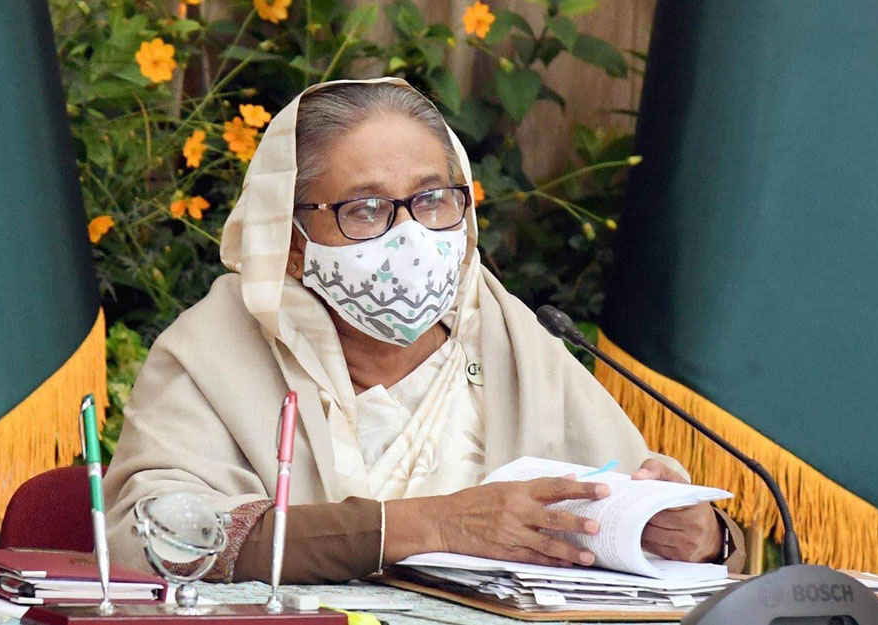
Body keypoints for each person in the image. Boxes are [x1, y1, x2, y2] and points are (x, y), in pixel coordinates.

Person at [102, 77, 744, 583]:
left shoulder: (514, 340)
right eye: (365, 209)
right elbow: (151, 537)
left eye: (433, 200)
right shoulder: (214, 351)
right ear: (291, 243)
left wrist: (704, 537)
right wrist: (429, 526)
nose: (410, 236)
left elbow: (653, 515)